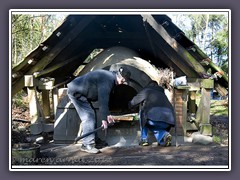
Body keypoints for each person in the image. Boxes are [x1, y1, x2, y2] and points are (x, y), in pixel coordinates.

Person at [67, 67, 131, 154]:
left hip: (83, 93)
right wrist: (104, 120)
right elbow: (103, 100)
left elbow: (106, 99)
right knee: (88, 117)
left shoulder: (110, 77)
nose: (123, 83)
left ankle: (94, 139)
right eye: (124, 81)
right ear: (122, 79)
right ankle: (87, 144)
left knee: (92, 114)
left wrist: (108, 115)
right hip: (76, 92)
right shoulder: (107, 80)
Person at [128, 80, 175, 147]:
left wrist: (128, 105)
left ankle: (144, 139)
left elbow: (134, 102)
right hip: (168, 122)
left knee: (143, 113)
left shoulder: (147, 91)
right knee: (155, 126)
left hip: (153, 120)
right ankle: (164, 135)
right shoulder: (162, 93)